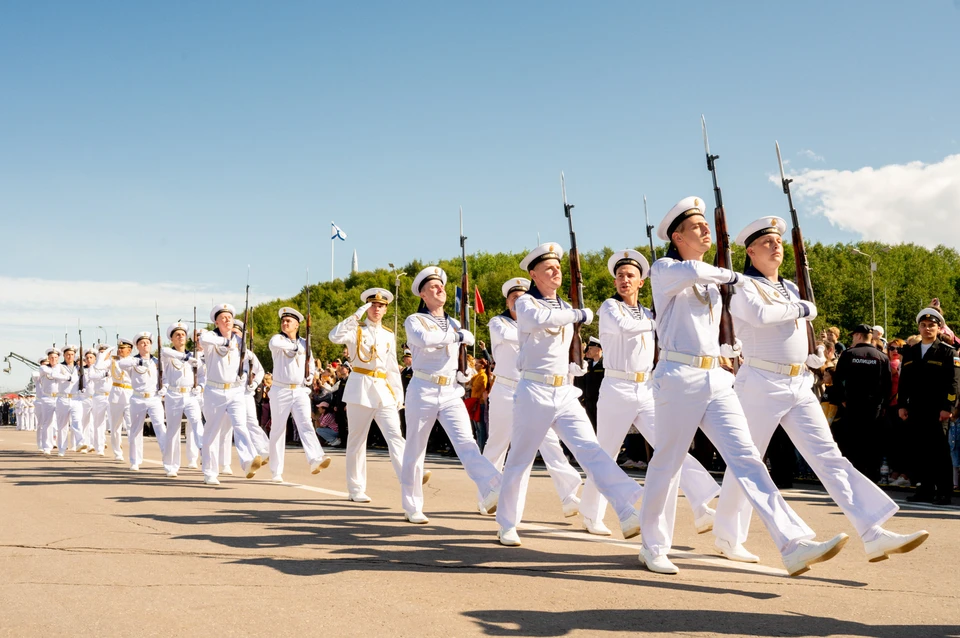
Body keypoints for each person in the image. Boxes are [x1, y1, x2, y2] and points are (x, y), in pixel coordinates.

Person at [639, 196, 847, 576]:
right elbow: (695, 273)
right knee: (667, 463)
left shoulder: (714, 279)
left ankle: (793, 542)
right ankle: (653, 545)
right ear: (677, 235)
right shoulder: (666, 268)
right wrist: (732, 275)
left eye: (707, 225)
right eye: (697, 226)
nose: (707, 231)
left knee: (748, 458)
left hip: (716, 378)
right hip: (677, 377)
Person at [711, 216, 927, 565]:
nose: (776, 246)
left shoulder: (791, 287)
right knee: (747, 463)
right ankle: (730, 535)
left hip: (798, 383)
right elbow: (760, 315)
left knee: (830, 457)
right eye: (767, 242)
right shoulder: (742, 286)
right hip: (760, 383)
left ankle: (873, 532)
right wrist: (802, 308)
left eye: (779, 241)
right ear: (750, 251)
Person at [495, 244, 645, 547]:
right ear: (534, 274)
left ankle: (625, 507)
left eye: (558, 267)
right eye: (548, 268)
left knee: (591, 450)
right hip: (534, 389)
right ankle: (508, 523)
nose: (555, 271)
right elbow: (539, 321)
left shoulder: (565, 306)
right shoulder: (526, 303)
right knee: (520, 459)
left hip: (563, 390)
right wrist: (577, 314)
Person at [580, 249, 720, 537]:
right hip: (617, 386)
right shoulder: (610, 307)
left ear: (642, 282)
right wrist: (661, 317)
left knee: (671, 447)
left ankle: (700, 505)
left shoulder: (647, 312)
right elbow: (626, 327)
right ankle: (591, 513)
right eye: (620, 276)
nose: (624, 280)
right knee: (605, 452)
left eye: (630, 275)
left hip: (646, 388)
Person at [400, 266, 502, 524]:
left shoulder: (455, 322)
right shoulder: (415, 320)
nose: (439, 289)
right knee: (415, 449)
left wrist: (463, 372)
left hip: (449, 391)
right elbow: (425, 340)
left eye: (441, 285)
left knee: (467, 444)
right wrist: (456, 335)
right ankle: (412, 506)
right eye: (433, 286)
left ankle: (492, 488)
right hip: (423, 389)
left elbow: (458, 359)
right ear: (422, 294)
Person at [482, 276, 582, 518]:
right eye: (514, 299)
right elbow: (518, 333)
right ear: (507, 303)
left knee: (550, 444)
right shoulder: (498, 323)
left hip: (534, 390)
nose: (518, 302)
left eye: (522, 298)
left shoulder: (542, 321)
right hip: (506, 390)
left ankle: (569, 494)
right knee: (498, 444)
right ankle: (487, 491)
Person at [328, 288, 412, 502]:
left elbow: (392, 367)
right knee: (357, 440)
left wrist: (398, 396)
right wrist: (356, 315)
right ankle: (356, 488)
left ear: (386, 310)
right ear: (367, 307)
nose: (377, 309)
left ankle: (408, 479)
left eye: (381, 306)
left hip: (383, 390)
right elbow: (333, 336)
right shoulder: (355, 329)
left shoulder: (388, 334)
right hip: (360, 388)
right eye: (373, 305)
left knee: (395, 435)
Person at [898, 307, 960, 505]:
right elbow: (904, 382)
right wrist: (902, 405)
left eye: (931, 325)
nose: (927, 329)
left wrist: (948, 407)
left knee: (940, 452)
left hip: (937, 410)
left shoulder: (947, 352)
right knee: (920, 450)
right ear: (919, 327)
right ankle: (924, 489)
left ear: (939, 328)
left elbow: (954, 382)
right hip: (916, 408)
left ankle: (943, 492)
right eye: (923, 326)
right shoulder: (911, 352)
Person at [267, 306, 330, 483]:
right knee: (278, 429)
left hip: (300, 390)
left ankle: (315, 458)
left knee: (306, 424)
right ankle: (276, 471)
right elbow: (275, 344)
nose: (285, 323)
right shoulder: (277, 339)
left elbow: (310, 363)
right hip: (281, 390)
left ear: (297, 325)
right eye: (283, 321)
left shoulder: (305, 343)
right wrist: (295, 347)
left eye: (289, 321)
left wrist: (310, 376)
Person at [829, 324, 891, 481]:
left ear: (857, 336)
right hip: (874, 409)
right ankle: (872, 478)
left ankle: (853, 478)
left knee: (852, 444)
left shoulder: (849, 354)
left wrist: (842, 400)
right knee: (872, 445)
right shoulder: (882, 357)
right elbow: (887, 385)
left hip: (852, 406)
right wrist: (882, 406)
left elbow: (837, 380)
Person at [100, 332, 167, 472]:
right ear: (137, 346)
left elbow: (165, 377)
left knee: (161, 428)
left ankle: (168, 461)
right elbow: (122, 362)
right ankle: (135, 461)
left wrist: (165, 388)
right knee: (135, 430)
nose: (145, 345)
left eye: (148, 342)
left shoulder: (157, 361)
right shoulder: (132, 361)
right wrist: (140, 361)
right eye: (142, 343)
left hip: (154, 397)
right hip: (137, 398)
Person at [160, 321, 204, 476]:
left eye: (183, 334)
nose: (180, 337)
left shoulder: (195, 356)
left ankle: (204, 452)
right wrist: (186, 358)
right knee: (173, 430)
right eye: (177, 335)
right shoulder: (168, 355)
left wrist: (200, 386)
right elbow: (164, 350)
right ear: (172, 339)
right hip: (174, 394)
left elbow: (203, 375)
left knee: (198, 424)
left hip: (190, 395)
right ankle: (171, 465)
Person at [51, 345, 88, 455]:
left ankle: (80, 442)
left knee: (77, 421)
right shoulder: (59, 366)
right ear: (64, 355)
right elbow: (54, 375)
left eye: (72, 355)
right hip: (63, 398)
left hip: (76, 398)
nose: (69, 356)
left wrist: (84, 388)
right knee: (62, 425)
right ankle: (62, 449)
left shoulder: (78, 368)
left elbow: (84, 380)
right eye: (67, 354)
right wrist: (67, 377)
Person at [36, 348, 63, 455]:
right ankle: (47, 446)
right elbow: (54, 373)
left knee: (61, 423)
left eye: (56, 357)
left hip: (59, 397)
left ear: (58, 358)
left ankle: (60, 446)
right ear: (48, 358)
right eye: (51, 357)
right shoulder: (43, 368)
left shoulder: (62, 367)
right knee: (47, 423)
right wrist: (63, 375)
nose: (53, 359)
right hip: (47, 398)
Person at [575, 336, 604, 429]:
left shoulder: (605, 365)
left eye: (591, 348)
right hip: (588, 402)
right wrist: (582, 399)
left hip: (601, 402)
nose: (589, 350)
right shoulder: (586, 365)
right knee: (591, 427)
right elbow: (579, 382)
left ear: (599, 349)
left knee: (602, 428)